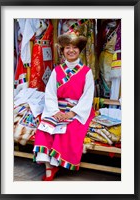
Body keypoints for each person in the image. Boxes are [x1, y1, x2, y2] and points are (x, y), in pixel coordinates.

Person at [33, 31, 95, 181]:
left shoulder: (87, 72)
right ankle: (49, 167)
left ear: (79, 50)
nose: (71, 50)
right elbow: (50, 93)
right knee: (45, 127)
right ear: (63, 51)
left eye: (74, 47)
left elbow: (87, 97)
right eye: (67, 47)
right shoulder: (57, 71)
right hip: (56, 108)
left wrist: (72, 113)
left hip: (77, 109)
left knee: (68, 129)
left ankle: (56, 164)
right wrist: (54, 111)